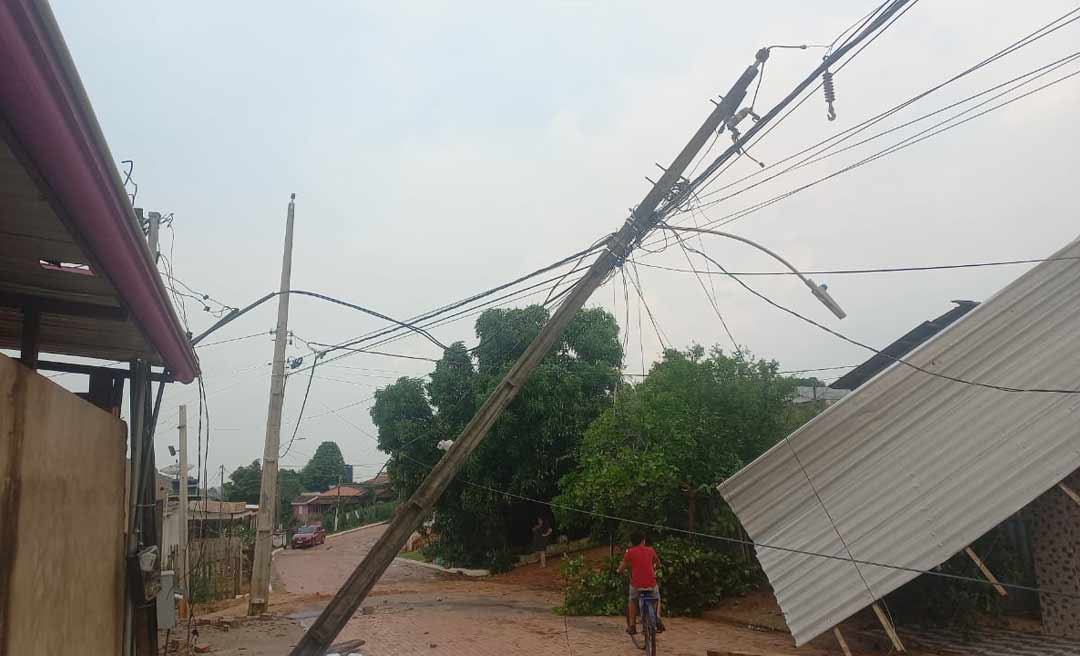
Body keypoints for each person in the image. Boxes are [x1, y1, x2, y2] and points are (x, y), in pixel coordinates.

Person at [617, 531, 665, 635]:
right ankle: (657, 618)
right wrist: (655, 566)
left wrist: (619, 571)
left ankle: (632, 626)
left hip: (636, 584)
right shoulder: (651, 550)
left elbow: (622, 568)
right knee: (657, 598)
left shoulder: (629, 552)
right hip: (651, 583)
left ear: (632, 542)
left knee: (632, 600)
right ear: (643, 540)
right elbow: (658, 562)